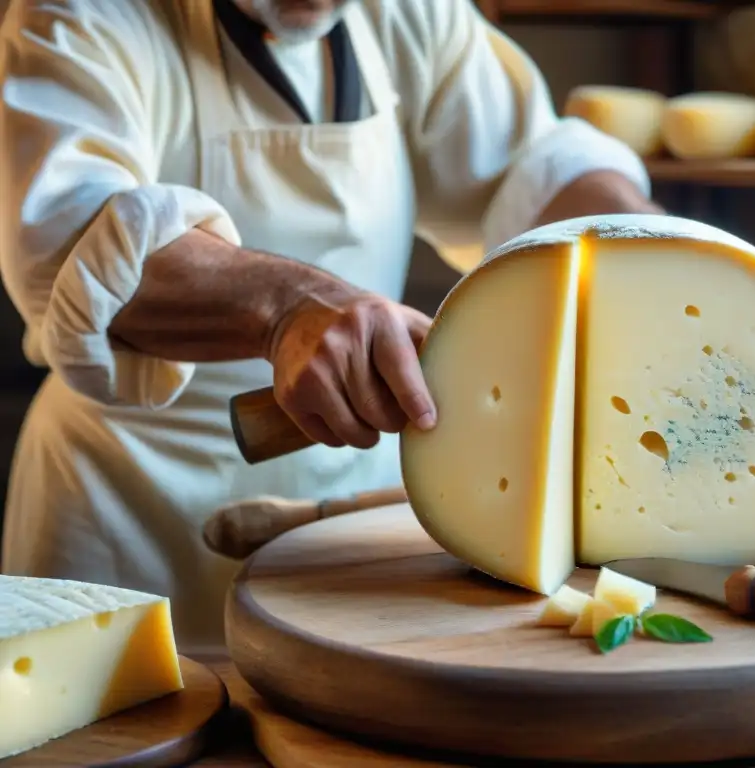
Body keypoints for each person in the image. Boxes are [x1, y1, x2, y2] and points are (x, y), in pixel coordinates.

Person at [0, 0, 663, 650]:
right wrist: (287, 306)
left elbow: (533, 167)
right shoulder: (76, 15)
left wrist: (652, 248)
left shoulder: (414, 14)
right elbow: (71, 242)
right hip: (128, 508)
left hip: (357, 501)